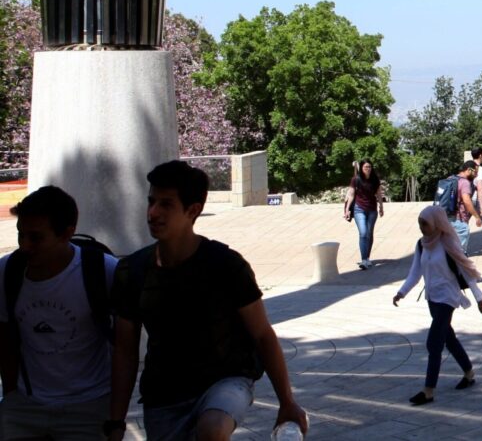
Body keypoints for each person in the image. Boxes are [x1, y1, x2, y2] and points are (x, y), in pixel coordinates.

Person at [109, 161, 307, 441]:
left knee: (212, 430)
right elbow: (125, 352)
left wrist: (287, 401)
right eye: (151, 202)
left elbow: (262, 335)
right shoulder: (132, 271)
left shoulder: (225, 265)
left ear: (193, 210)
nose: (153, 213)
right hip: (163, 394)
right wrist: (116, 422)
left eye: (166, 204)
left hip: (226, 380)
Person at [0, 186, 119, 440]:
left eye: (36, 237)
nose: (25, 246)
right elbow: (5, 339)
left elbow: (124, 346)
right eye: (21, 235)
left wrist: (116, 418)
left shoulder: (103, 271)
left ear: (67, 233)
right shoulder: (7, 271)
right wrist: (11, 397)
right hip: (24, 407)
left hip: (89, 408)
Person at [392, 206, 482, 406]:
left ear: (436, 222)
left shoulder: (449, 244)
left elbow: (466, 272)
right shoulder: (422, 245)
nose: (422, 228)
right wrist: (401, 292)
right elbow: (415, 273)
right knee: (449, 339)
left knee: (433, 343)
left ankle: (428, 390)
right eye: (420, 223)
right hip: (432, 298)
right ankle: (469, 373)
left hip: (448, 298)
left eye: (425, 223)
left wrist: (480, 299)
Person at [344, 160, 385, 270]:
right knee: (363, 233)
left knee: (369, 233)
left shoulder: (375, 180)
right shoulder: (356, 179)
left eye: (370, 167)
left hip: (372, 209)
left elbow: (379, 194)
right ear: (361, 168)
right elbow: (351, 195)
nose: (368, 169)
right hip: (359, 209)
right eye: (366, 167)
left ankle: (367, 258)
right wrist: (347, 209)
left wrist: (381, 207)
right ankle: (363, 260)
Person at [451, 161, 482, 254]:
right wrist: (477, 217)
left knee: (449, 247)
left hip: (445, 218)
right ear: (469, 170)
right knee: (460, 253)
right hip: (459, 219)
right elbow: (467, 201)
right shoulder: (464, 182)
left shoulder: (450, 178)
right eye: (475, 172)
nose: (476, 175)